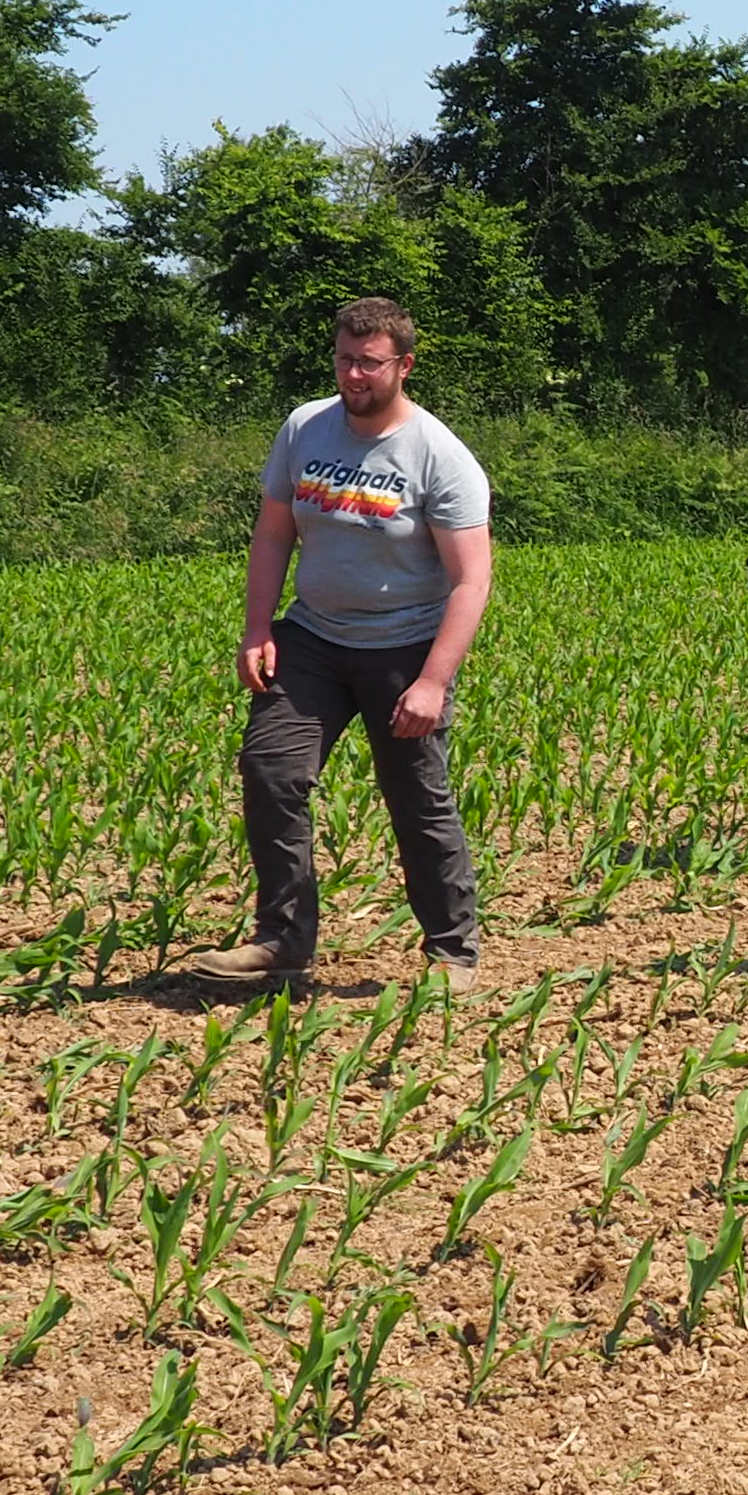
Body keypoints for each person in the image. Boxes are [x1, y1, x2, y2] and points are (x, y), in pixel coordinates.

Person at [185, 299, 495, 984]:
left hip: (406, 646)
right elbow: (274, 533)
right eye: (345, 359)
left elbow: (471, 580)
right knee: (271, 771)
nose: (354, 374)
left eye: (370, 362)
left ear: (404, 366)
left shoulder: (438, 456)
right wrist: (257, 629)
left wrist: (433, 681)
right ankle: (283, 941)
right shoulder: (304, 428)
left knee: (415, 798)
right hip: (315, 639)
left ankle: (451, 948)